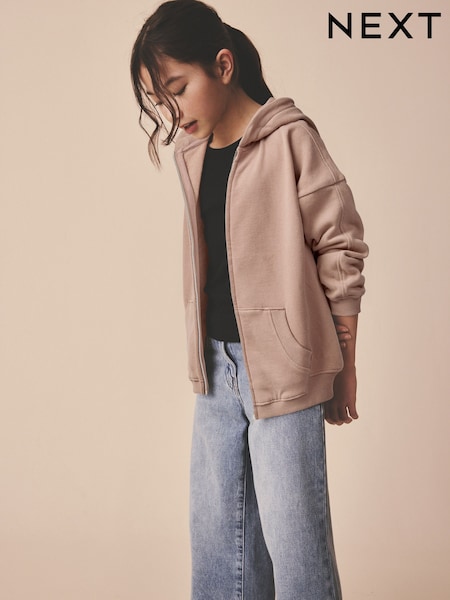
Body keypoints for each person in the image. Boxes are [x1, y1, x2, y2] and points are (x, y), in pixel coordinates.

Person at [130, 1, 368, 598]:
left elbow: (341, 246)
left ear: (223, 65)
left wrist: (346, 364)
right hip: (215, 372)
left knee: (297, 550)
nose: (171, 112)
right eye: (159, 101)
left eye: (177, 90)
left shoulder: (291, 139)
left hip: (287, 370)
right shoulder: (190, 155)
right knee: (218, 551)